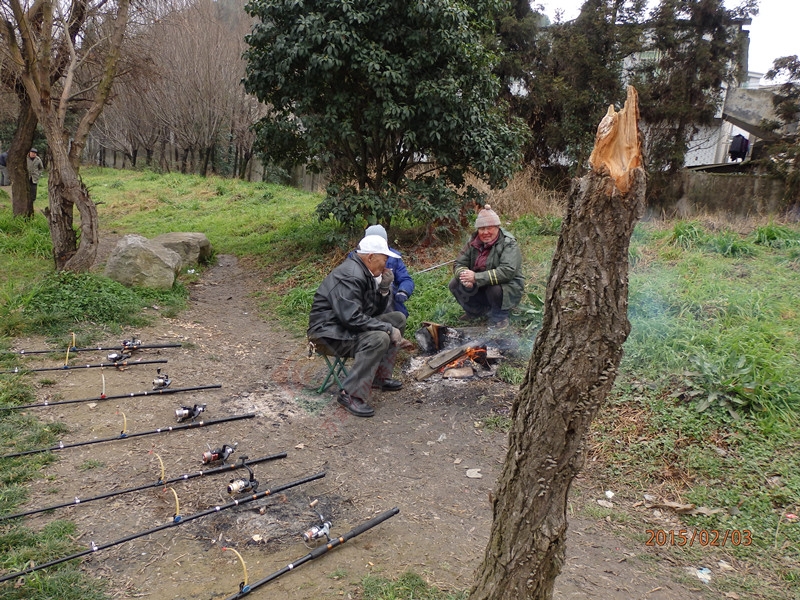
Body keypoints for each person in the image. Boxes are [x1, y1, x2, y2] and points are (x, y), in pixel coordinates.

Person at [308, 234, 412, 418]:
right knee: (379, 337)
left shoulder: (365, 272)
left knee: (397, 318)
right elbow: (352, 319)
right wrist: (386, 329)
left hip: (342, 327)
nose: (386, 264)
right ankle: (350, 394)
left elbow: (370, 312)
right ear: (371, 257)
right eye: (384, 258)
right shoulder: (351, 275)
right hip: (326, 334)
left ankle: (379, 377)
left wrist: (384, 290)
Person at [448, 204, 525, 329]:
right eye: (481, 229)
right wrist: (465, 276)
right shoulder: (473, 241)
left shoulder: (508, 243)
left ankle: (500, 317)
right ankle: (476, 312)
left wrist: (476, 278)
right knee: (454, 284)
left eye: (489, 228)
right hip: (481, 285)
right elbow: (459, 263)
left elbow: (507, 272)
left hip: (506, 287)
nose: (485, 232)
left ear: (497, 227)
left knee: (494, 288)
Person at [363, 224, 415, 317]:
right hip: (366, 304)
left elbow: (405, 279)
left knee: (399, 317)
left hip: (390, 302)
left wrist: (404, 291)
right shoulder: (358, 257)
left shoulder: (393, 257)